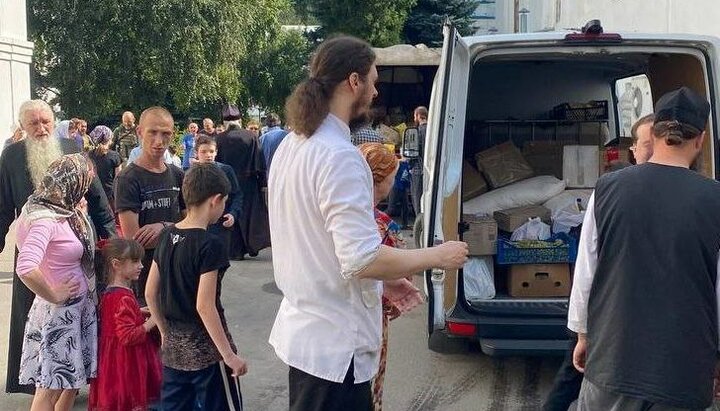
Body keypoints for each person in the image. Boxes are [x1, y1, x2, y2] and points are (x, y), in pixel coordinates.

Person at [269, 35, 468, 411]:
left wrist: (387, 281)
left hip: (309, 339)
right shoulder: (339, 156)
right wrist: (437, 255)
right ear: (354, 81)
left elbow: (319, 241)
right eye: (374, 80)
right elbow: (360, 260)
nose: (376, 91)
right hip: (335, 349)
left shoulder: (292, 145)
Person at [569, 87, 720, 410]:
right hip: (684, 370)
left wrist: (583, 334)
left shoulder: (608, 188)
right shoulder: (715, 199)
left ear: (654, 132)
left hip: (612, 360)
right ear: (701, 139)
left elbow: (586, 272)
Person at [0, 99, 116, 395]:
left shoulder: (73, 148)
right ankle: (38, 385)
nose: (41, 129)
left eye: (45, 122)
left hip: (71, 249)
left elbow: (99, 200)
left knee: (78, 315)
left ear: (54, 121)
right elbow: (2, 208)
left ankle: (72, 383)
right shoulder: (11, 156)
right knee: (36, 322)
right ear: (23, 127)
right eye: (33, 123)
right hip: (35, 254)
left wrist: (113, 239)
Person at [543, 114, 656, 411]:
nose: (642, 151)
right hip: (609, 310)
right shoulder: (611, 190)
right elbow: (587, 266)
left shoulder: (686, 195)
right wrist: (582, 327)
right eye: (642, 145)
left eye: (646, 144)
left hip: (650, 319)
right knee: (575, 377)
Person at [145, 163, 246, 410]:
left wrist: (164, 331)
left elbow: (150, 292)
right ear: (216, 200)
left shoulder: (166, 236)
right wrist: (229, 356)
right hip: (208, 353)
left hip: (173, 350)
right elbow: (204, 306)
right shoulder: (210, 245)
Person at [15, 153, 98, 411]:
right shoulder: (45, 219)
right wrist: (54, 294)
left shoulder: (59, 209)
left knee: (69, 383)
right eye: (85, 183)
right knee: (50, 388)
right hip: (60, 316)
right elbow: (26, 267)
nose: (87, 189)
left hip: (75, 312)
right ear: (73, 183)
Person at [358, 143, 423, 411]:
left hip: (365, 308)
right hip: (369, 312)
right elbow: (387, 267)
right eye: (392, 177)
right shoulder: (373, 222)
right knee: (371, 379)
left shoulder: (349, 215)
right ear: (380, 180)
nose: (394, 184)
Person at [115, 106, 185, 306]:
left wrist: (163, 227)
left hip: (178, 273)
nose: (159, 141)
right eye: (152, 132)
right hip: (146, 281)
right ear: (139, 132)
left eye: (166, 134)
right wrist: (177, 231)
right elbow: (135, 241)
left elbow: (194, 228)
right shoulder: (128, 179)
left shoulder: (178, 175)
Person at [89, 238, 162, 411]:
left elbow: (117, 322)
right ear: (116, 264)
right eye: (135, 261)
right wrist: (154, 320)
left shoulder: (110, 293)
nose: (141, 266)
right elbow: (127, 336)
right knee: (130, 403)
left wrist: (140, 312)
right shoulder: (123, 297)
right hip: (126, 364)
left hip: (111, 361)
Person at [215, 104, 270, 260]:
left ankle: (235, 250)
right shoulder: (251, 136)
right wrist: (262, 183)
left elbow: (216, 163)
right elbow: (260, 162)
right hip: (249, 182)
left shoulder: (218, 139)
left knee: (232, 213)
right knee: (250, 215)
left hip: (227, 183)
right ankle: (252, 246)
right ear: (240, 119)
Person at [195, 134, 244, 255]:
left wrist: (233, 214)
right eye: (203, 152)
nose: (208, 155)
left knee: (218, 262)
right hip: (198, 226)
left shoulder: (226, 171)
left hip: (220, 225)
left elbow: (237, 194)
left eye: (211, 151)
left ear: (216, 152)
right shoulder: (191, 174)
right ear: (197, 152)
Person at [88, 125, 122, 210]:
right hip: (110, 196)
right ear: (109, 138)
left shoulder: (88, 155)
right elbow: (119, 179)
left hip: (93, 196)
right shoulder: (114, 156)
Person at [409, 106, 427, 216]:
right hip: (431, 168)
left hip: (417, 169)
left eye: (415, 116)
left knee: (417, 196)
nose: (414, 118)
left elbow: (413, 153)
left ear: (419, 116)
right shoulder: (434, 130)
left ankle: (419, 223)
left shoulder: (416, 132)